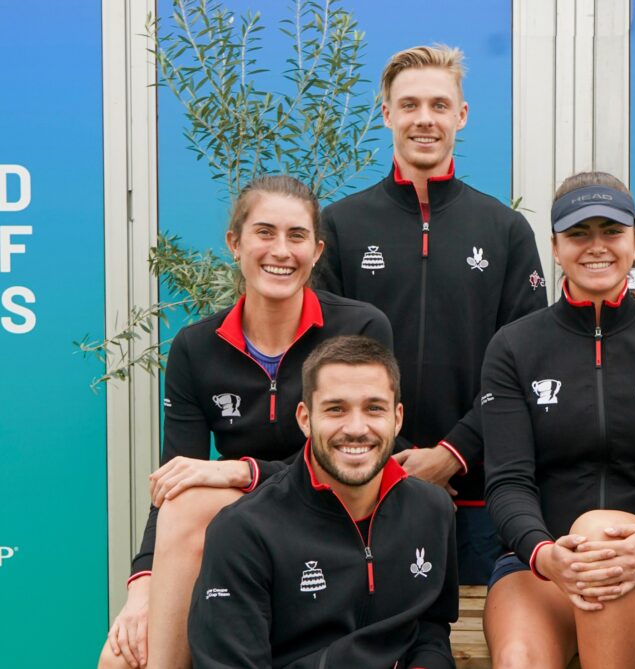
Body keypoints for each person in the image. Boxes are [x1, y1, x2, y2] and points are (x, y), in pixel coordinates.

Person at [99, 176, 393, 669]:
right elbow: (174, 480)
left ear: (317, 251)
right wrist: (143, 587)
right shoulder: (196, 347)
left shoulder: (359, 328)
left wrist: (240, 470)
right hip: (251, 525)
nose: (282, 250)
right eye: (265, 232)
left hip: (341, 516)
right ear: (235, 243)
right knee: (119, 657)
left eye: (297, 236)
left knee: (193, 504)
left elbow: (362, 458)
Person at [314, 44, 547, 585]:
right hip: (361, 484)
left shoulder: (505, 230)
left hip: (479, 497)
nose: (425, 119)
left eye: (440, 105)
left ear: (460, 116)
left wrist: (453, 453)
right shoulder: (341, 227)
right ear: (387, 113)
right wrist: (392, 456)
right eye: (410, 104)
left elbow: (528, 364)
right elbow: (321, 362)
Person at [481, 172, 635, 668]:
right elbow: (507, 484)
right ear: (556, 247)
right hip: (539, 564)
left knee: (598, 531)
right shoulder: (513, 347)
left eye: (611, 231)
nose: (596, 246)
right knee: (519, 659)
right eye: (578, 233)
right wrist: (546, 555)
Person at [189, 335, 458, 668]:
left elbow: (430, 626)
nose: (357, 428)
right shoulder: (243, 532)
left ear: (397, 418)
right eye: (336, 409)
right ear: (305, 419)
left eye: (374, 408)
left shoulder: (432, 510)